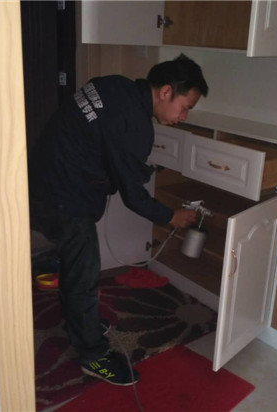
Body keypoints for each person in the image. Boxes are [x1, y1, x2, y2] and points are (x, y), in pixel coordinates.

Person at [28, 54, 209, 386]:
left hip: (43, 177)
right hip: (64, 197)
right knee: (84, 274)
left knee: (74, 263)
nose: (183, 117)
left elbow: (102, 138)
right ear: (166, 91)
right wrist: (171, 216)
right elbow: (133, 196)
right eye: (185, 107)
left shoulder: (113, 85)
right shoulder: (135, 125)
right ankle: (93, 355)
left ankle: (78, 322)